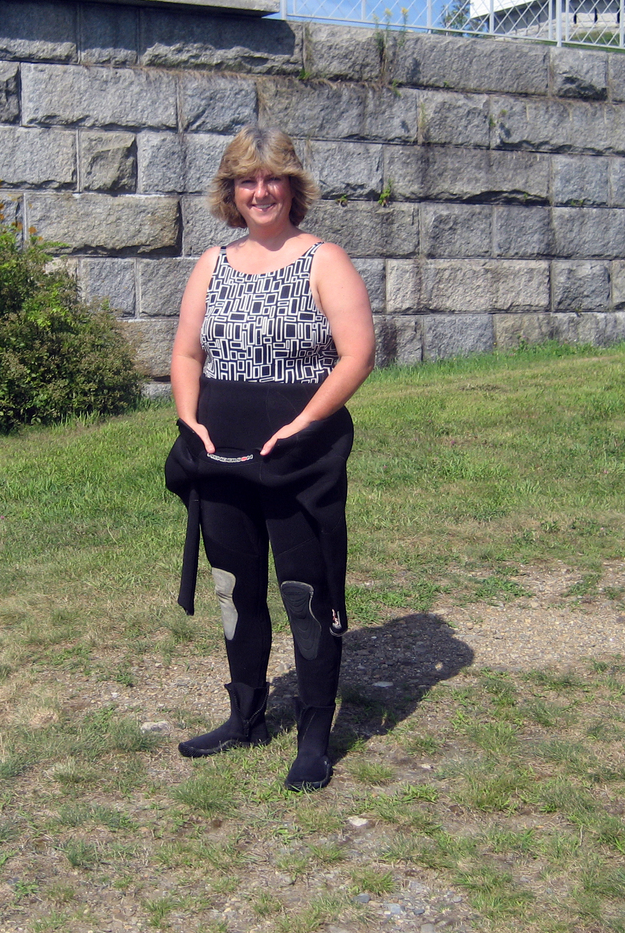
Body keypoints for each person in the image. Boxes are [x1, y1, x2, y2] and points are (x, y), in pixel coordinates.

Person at [164, 126, 375, 792]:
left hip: (298, 457)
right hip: (221, 456)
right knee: (234, 586)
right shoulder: (212, 263)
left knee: (305, 594)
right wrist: (190, 418)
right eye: (246, 180)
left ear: (292, 186)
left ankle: (314, 734)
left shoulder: (324, 260)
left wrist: (305, 422)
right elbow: (186, 352)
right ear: (231, 192)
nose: (260, 191)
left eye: (272, 177)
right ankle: (246, 715)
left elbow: (358, 354)